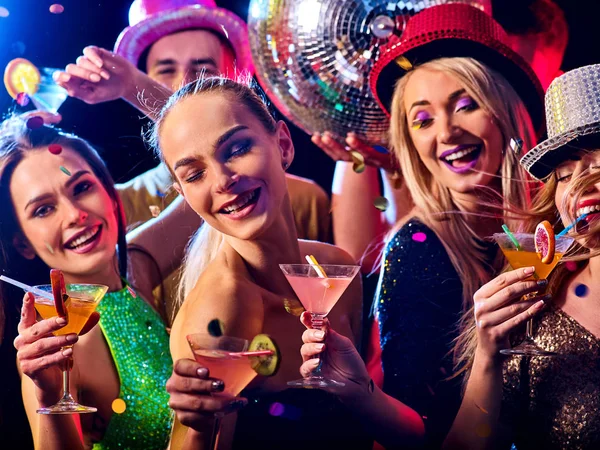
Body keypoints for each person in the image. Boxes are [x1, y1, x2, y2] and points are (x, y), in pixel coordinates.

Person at [304, 4, 544, 449]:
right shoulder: (418, 249)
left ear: (504, 110)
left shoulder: (549, 227)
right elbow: (418, 427)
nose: (447, 132)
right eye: (423, 119)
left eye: (466, 105)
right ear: (412, 144)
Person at [54, 0, 332, 323]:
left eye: (203, 72)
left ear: (236, 81)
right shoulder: (118, 206)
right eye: (166, 71)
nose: (185, 83)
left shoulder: (301, 201)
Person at [147, 75, 370, 450]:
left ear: (283, 144)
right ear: (184, 195)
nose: (222, 180)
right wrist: (199, 427)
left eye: (235, 149)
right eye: (195, 174)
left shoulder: (334, 268)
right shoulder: (222, 313)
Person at [1, 116, 196, 448]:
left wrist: (127, 83)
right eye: (44, 209)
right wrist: (49, 399)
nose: (75, 213)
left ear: (110, 193)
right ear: (22, 243)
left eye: (82, 188)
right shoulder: (59, 346)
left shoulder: (135, 268)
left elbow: (205, 161)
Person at [446, 63, 600, 450]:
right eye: (564, 174)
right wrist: (487, 356)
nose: (581, 183)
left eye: (599, 160)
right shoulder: (535, 317)